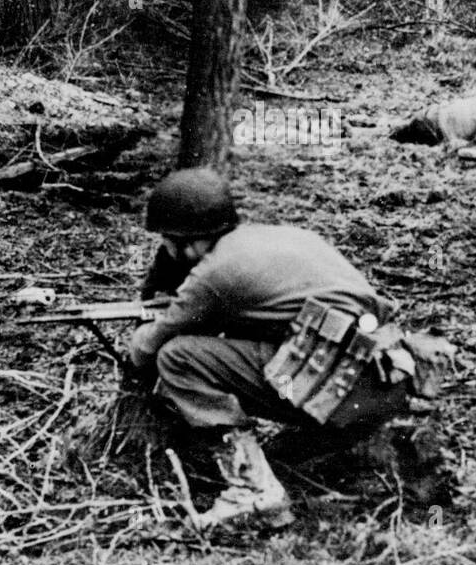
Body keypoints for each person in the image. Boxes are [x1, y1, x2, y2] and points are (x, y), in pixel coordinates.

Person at [129, 168, 443, 530]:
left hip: (341, 390)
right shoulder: (281, 236)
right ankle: (341, 442)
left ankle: (255, 493)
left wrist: (144, 331)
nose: (165, 249)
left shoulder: (215, 274)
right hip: (387, 380)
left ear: (191, 240)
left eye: (168, 240)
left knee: (180, 358)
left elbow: (147, 348)